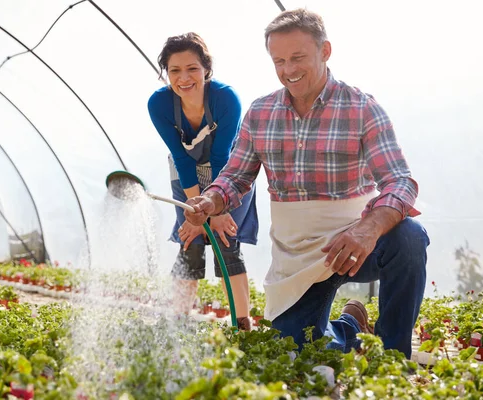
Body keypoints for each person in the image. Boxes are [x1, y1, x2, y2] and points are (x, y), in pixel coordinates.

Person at [183, 9, 429, 358]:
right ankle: (351, 327)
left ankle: (392, 354)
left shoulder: (361, 108)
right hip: (296, 253)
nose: (288, 70)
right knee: (299, 351)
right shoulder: (260, 113)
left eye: (298, 57)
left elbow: (400, 182)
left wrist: (367, 229)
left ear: (325, 51)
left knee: (409, 238)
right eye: (279, 60)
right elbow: (236, 178)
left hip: (355, 243)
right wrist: (210, 201)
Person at [147, 33, 259, 330]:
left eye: (192, 69)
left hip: (229, 175)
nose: (184, 78)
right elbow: (181, 159)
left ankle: (241, 324)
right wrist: (197, 214)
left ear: (206, 70)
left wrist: (217, 210)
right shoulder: (159, 104)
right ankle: (177, 321)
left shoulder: (225, 99)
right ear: (166, 74)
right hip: (187, 176)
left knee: (225, 241)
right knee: (191, 241)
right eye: (175, 71)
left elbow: (223, 158)